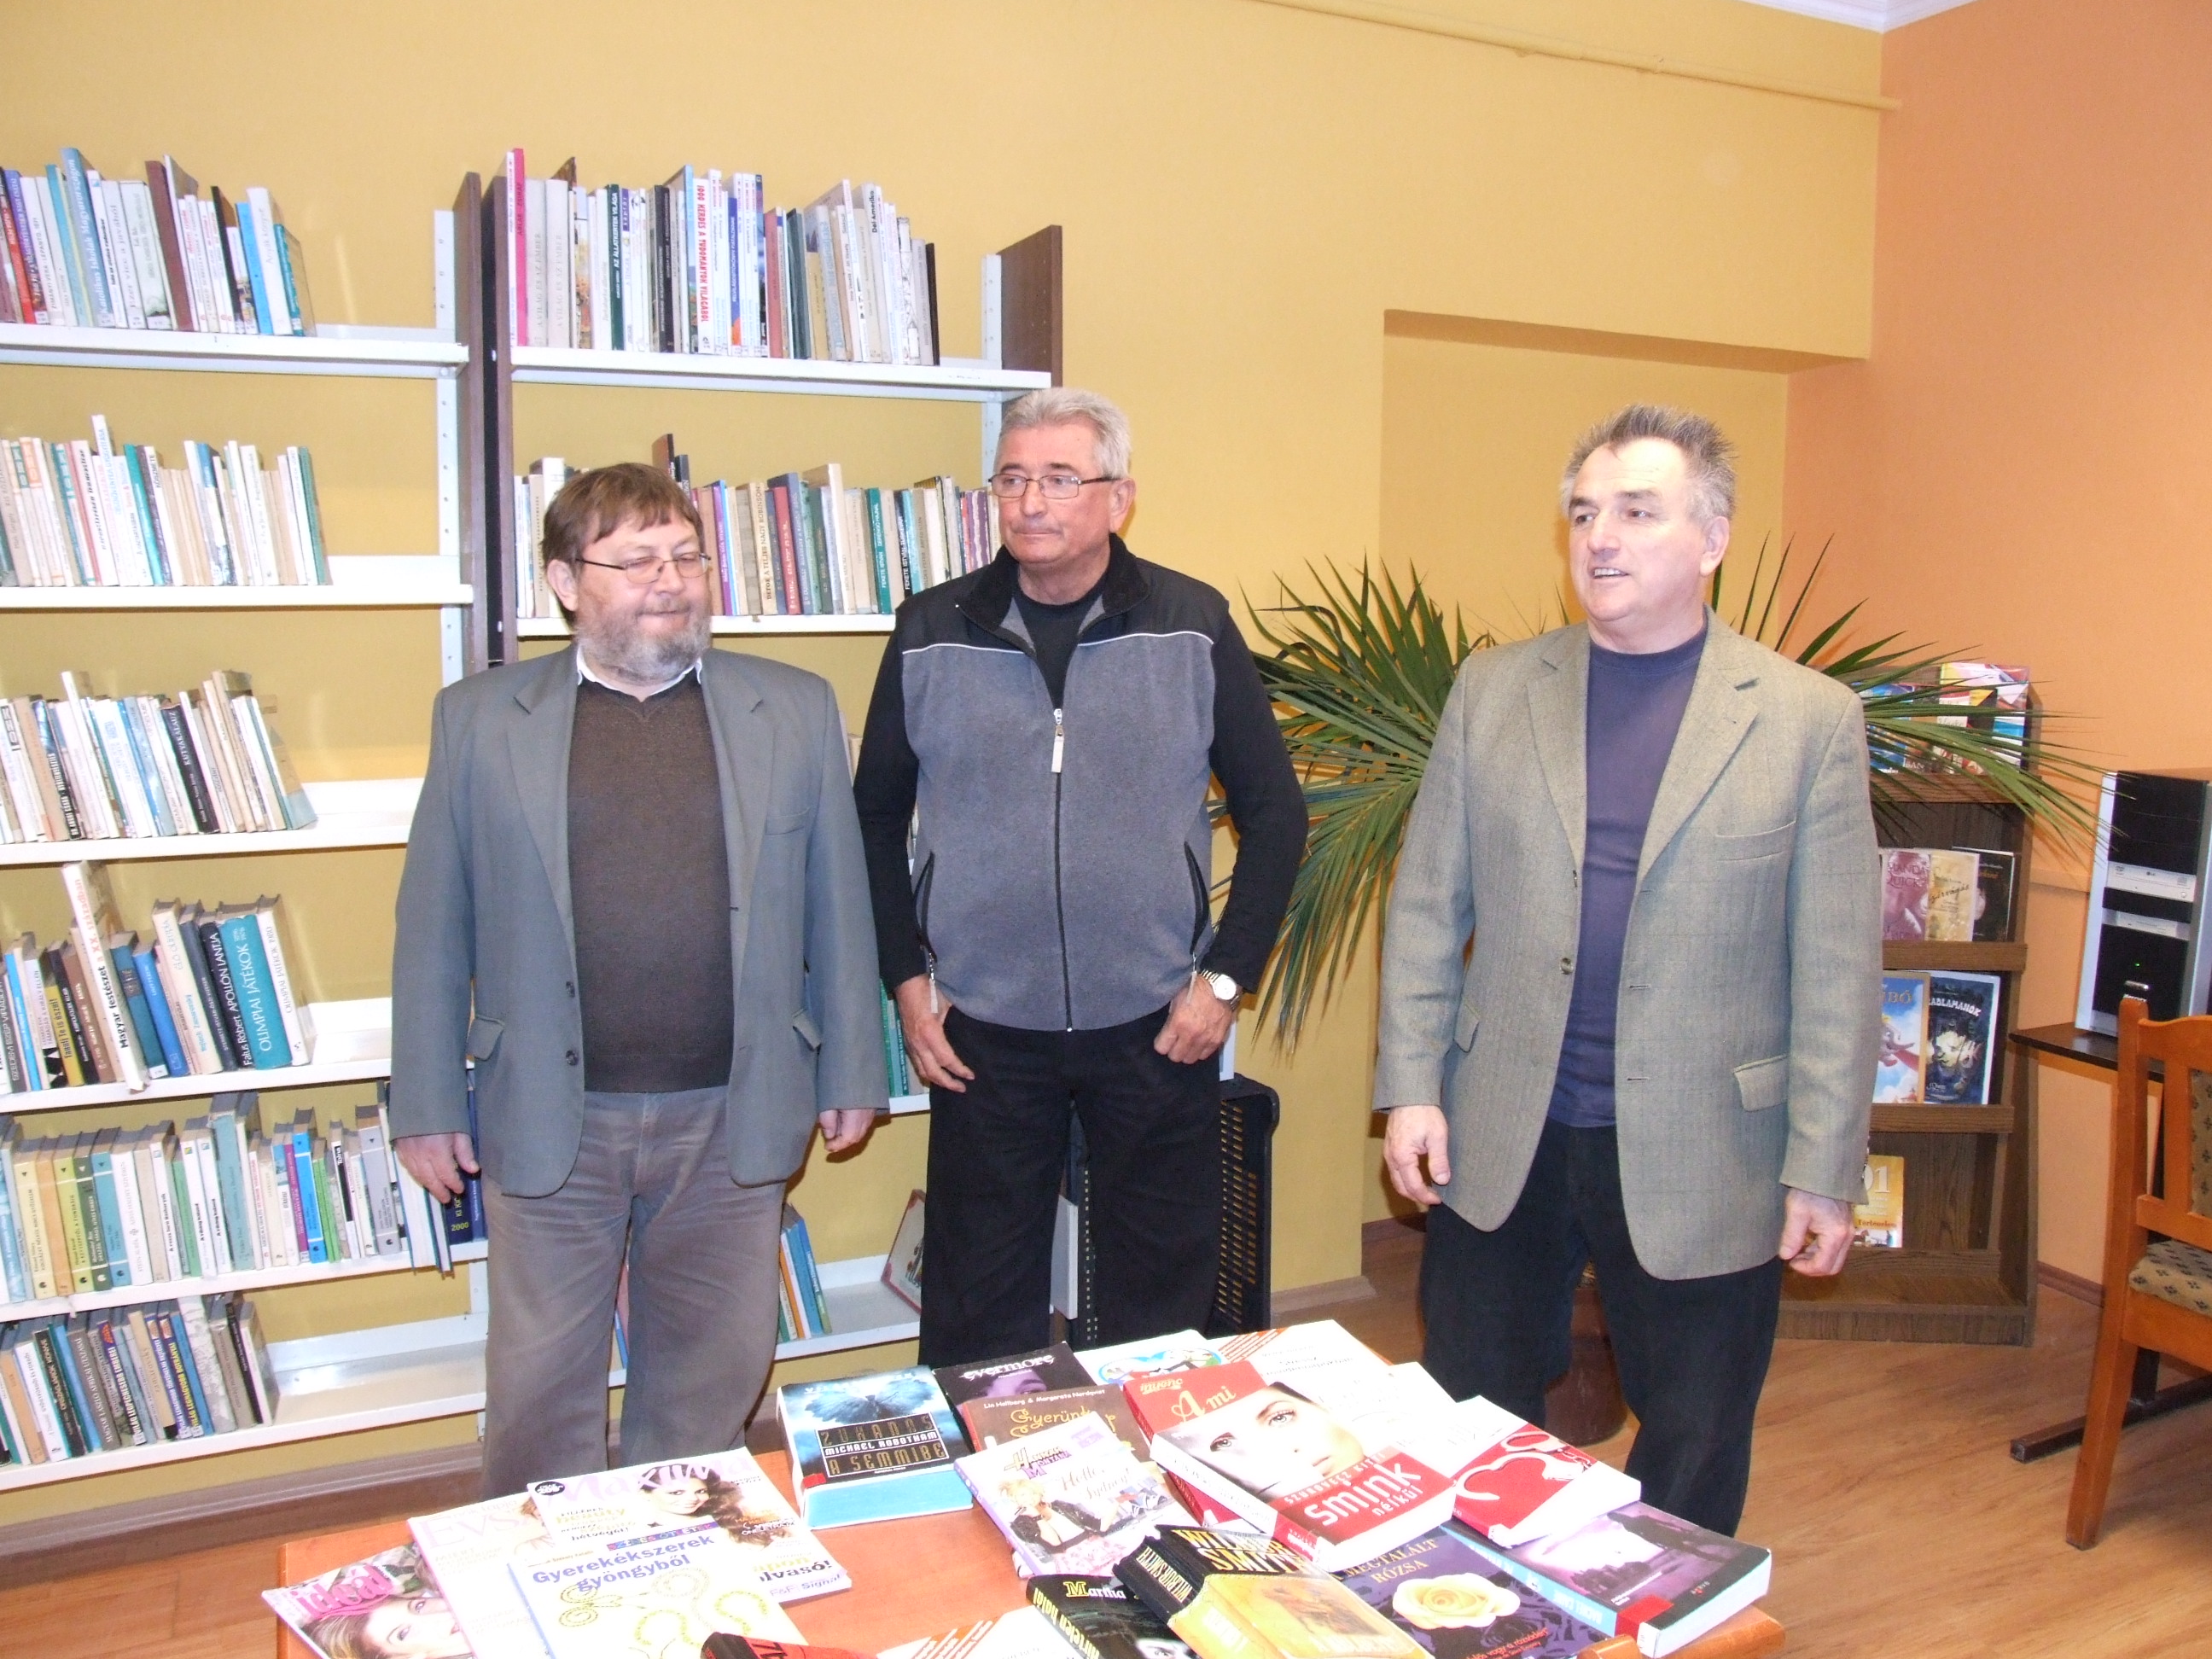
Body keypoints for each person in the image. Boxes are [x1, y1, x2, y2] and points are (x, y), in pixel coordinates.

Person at [1374, 404, 1879, 1537]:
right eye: (1585, 513)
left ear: (1712, 539)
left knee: (1696, 1430)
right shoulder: (1493, 692)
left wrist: (1823, 1168)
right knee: (1467, 1408)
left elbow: (1839, 969)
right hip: (1504, 1124)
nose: (1600, 538)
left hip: (1712, 1145)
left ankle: (1659, 1612)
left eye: (1638, 513)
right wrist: (1411, 1086)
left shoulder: (1807, 720)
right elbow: (1426, 908)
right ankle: (1472, 1598)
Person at [388, 463, 885, 1497]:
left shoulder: (792, 710)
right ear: (566, 582)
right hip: (551, 1111)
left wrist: (853, 1068)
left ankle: (686, 1551)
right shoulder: (479, 719)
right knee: (538, 1387)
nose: (670, 580)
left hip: (734, 1108)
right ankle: (549, 1565)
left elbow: (840, 906)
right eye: (637, 561)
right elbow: (433, 925)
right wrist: (426, 1104)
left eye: (686, 556)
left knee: (710, 1374)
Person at [853, 387, 1307, 1366]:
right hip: (982, 1025)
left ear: (1119, 498)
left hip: (1157, 1024)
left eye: (1061, 478)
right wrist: (907, 981)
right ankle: (988, 1453)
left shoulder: (1192, 623)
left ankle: (1148, 1454)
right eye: (1013, 479)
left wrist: (1225, 981)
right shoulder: (931, 629)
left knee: (1159, 1299)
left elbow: (1277, 815)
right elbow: (875, 815)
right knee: (977, 1307)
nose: (1031, 502)